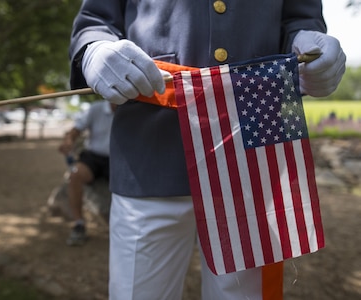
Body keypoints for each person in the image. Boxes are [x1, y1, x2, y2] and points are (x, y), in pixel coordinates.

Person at [69, 1, 346, 299]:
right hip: (151, 145)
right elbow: (96, 18)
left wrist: (306, 37)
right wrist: (95, 49)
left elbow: (298, 16)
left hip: (255, 144)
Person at [58, 99, 116, 246]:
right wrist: (69, 141)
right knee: (75, 174)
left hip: (120, 159)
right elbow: (75, 130)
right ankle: (79, 224)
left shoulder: (134, 109)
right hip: (93, 157)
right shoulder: (95, 109)